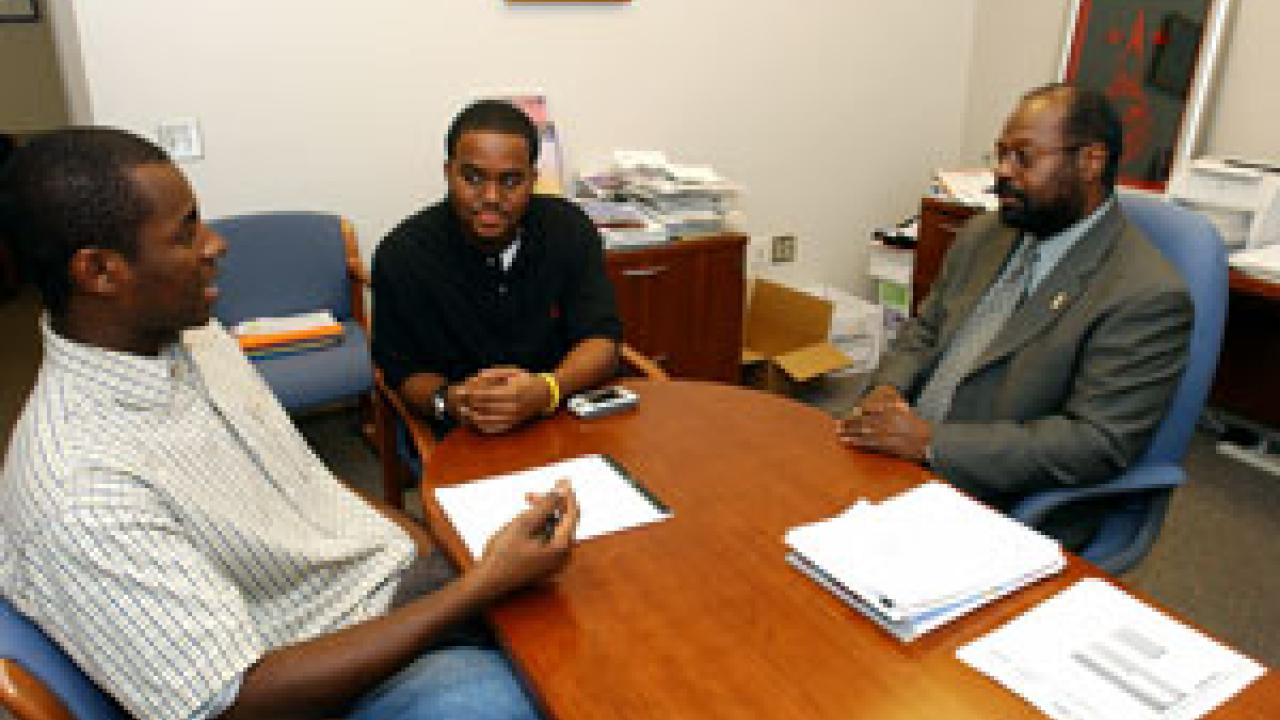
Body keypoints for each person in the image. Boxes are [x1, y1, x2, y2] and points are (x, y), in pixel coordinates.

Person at [0, 127, 580, 720]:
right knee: (555, 688)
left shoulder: (195, 338)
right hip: (308, 682)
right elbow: (235, 701)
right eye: (186, 232)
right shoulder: (81, 490)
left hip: (374, 586)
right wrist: (478, 586)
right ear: (100, 271)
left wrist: (431, 549)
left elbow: (303, 481)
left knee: (590, 590)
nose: (215, 245)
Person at [838, 84, 1193, 548]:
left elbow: (1095, 442)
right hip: (899, 459)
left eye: (1024, 158)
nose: (1002, 172)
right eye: (1001, 154)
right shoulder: (986, 233)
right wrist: (888, 390)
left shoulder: (1145, 293)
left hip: (996, 497)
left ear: (1090, 162)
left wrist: (930, 442)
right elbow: (925, 330)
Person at [372, 100, 621, 437]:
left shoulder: (569, 229)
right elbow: (403, 373)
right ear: (448, 173)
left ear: (533, 180)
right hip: (464, 432)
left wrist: (546, 390)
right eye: (473, 178)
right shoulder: (402, 255)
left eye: (510, 180)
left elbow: (601, 341)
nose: (491, 196)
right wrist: (453, 401)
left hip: (563, 412)